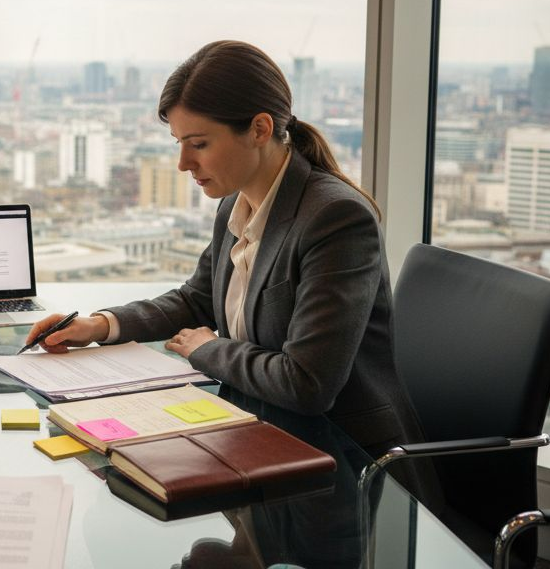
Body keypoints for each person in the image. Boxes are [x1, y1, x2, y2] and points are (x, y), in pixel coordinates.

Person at [25, 39, 431, 466]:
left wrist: (207, 349)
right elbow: (196, 299)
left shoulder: (336, 219)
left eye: (198, 144)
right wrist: (100, 325)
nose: (183, 162)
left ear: (259, 129)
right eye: (178, 142)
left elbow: (307, 383)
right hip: (259, 434)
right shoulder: (235, 204)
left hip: (346, 465)